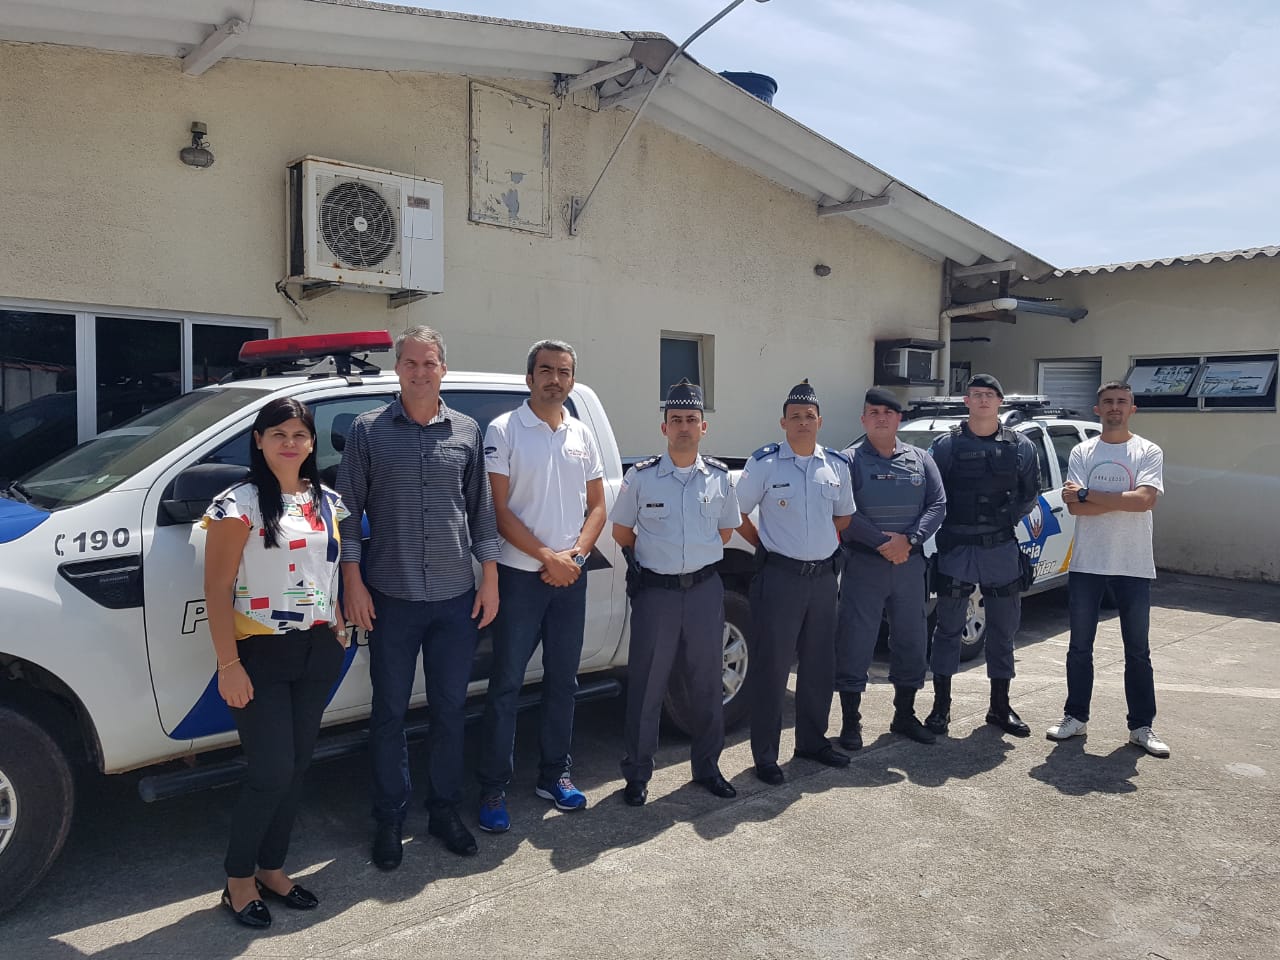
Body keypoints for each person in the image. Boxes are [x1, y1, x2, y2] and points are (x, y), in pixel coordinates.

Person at [336, 325, 500, 871]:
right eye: (410, 362)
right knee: (388, 712)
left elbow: (480, 509)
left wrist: (491, 577)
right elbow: (347, 513)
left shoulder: (467, 431)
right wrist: (353, 581)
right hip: (392, 596)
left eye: (429, 363)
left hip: (456, 596)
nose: (420, 371)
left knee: (451, 710)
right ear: (397, 369)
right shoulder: (367, 431)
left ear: (443, 369)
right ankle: (389, 817)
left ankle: (443, 810)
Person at [203, 397, 350, 928]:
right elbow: (216, 589)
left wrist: (337, 623)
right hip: (258, 653)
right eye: (278, 433)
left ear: (312, 443)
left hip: (316, 650)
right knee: (269, 771)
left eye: (300, 434)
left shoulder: (327, 502)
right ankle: (237, 879)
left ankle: (272, 868)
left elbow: (330, 567)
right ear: (259, 441)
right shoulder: (236, 505)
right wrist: (228, 664)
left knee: (296, 768)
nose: (290, 442)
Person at [477, 339, 607, 829]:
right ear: (529, 377)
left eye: (564, 371)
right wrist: (545, 556)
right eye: (546, 370)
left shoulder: (581, 433)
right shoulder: (505, 430)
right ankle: (492, 790)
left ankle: (556, 775)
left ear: (572, 380)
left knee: (563, 682)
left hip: (570, 575)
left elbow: (597, 506)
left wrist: (572, 556)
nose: (555, 379)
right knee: (506, 684)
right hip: (520, 576)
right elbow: (499, 509)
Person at [609, 378, 741, 806]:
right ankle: (637, 774)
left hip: (703, 591)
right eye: (676, 419)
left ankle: (708, 767)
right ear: (664, 428)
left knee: (707, 683)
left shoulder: (719, 478)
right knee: (647, 684)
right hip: (657, 595)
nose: (684, 426)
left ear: (704, 428)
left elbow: (725, 530)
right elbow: (622, 532)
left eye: (692, 419)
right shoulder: (641, 478)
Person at [736, 379, 855, 784]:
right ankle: (765, 755)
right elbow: (737, 513)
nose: (802, 422)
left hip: (823, 579)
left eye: (809, 416)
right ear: (783, 422)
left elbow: (843, 517)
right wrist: (765, 546)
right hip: (780, 577)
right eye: (795, 417)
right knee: (772, 668)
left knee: (820, 665)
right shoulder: (765, 464)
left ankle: (812, 741)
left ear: (819, 421)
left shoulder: (836, 465)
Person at [1047, 381, 1170, 757]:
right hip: (1088, 562)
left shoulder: (1148, 450)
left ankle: (1141, 726)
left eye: (1122, 402)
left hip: (1133, 564)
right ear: (1097, 409)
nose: (1115, 407)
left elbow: (1145, 501)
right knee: (1080, 646)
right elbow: (1076, 508)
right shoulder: (1084, 451)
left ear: (1132, 409)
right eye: (1108, 402)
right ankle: (1075, 717)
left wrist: (1087, 494)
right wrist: (1113, 500)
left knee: (1137, 650)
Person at [924, 375, 1039, 738]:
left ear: (1000, 401)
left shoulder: (1020, 447)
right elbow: (934, 494)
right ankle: (940, 708)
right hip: (957, 549)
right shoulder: (945, 446)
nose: (984, 401)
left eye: (990, 395)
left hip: (1000, 549)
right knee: (948, 630)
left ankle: (1000, 708)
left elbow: (1029, 493)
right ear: (966, 401)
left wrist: (1003, 520)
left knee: (1003, 631)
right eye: (977, 395)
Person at [835, 387, 946, 749]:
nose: (881, 417)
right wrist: (883, 543)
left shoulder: (920, 459)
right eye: (873, 411)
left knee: (912, 639)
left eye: (888, 411)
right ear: (864, 419)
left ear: (899, 419)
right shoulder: (848, 462)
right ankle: (851, 722)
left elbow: (938, 504)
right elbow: (843, 513)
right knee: (855, 641)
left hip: (909, 567)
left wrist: (909, 540)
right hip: (864, 566)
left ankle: (905, 714)